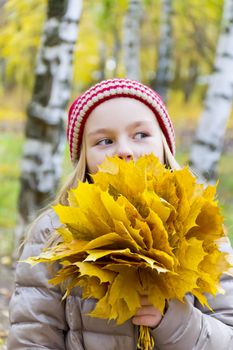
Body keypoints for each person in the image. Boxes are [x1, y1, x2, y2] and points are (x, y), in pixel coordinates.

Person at [8, 78, 233, 349]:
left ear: (164, 145)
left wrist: (172, 320)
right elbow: (32, 339)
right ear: (85, 159)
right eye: (105, 141)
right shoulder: (54, 233)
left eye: (140, 135)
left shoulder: (199, 226)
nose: (125, 150)